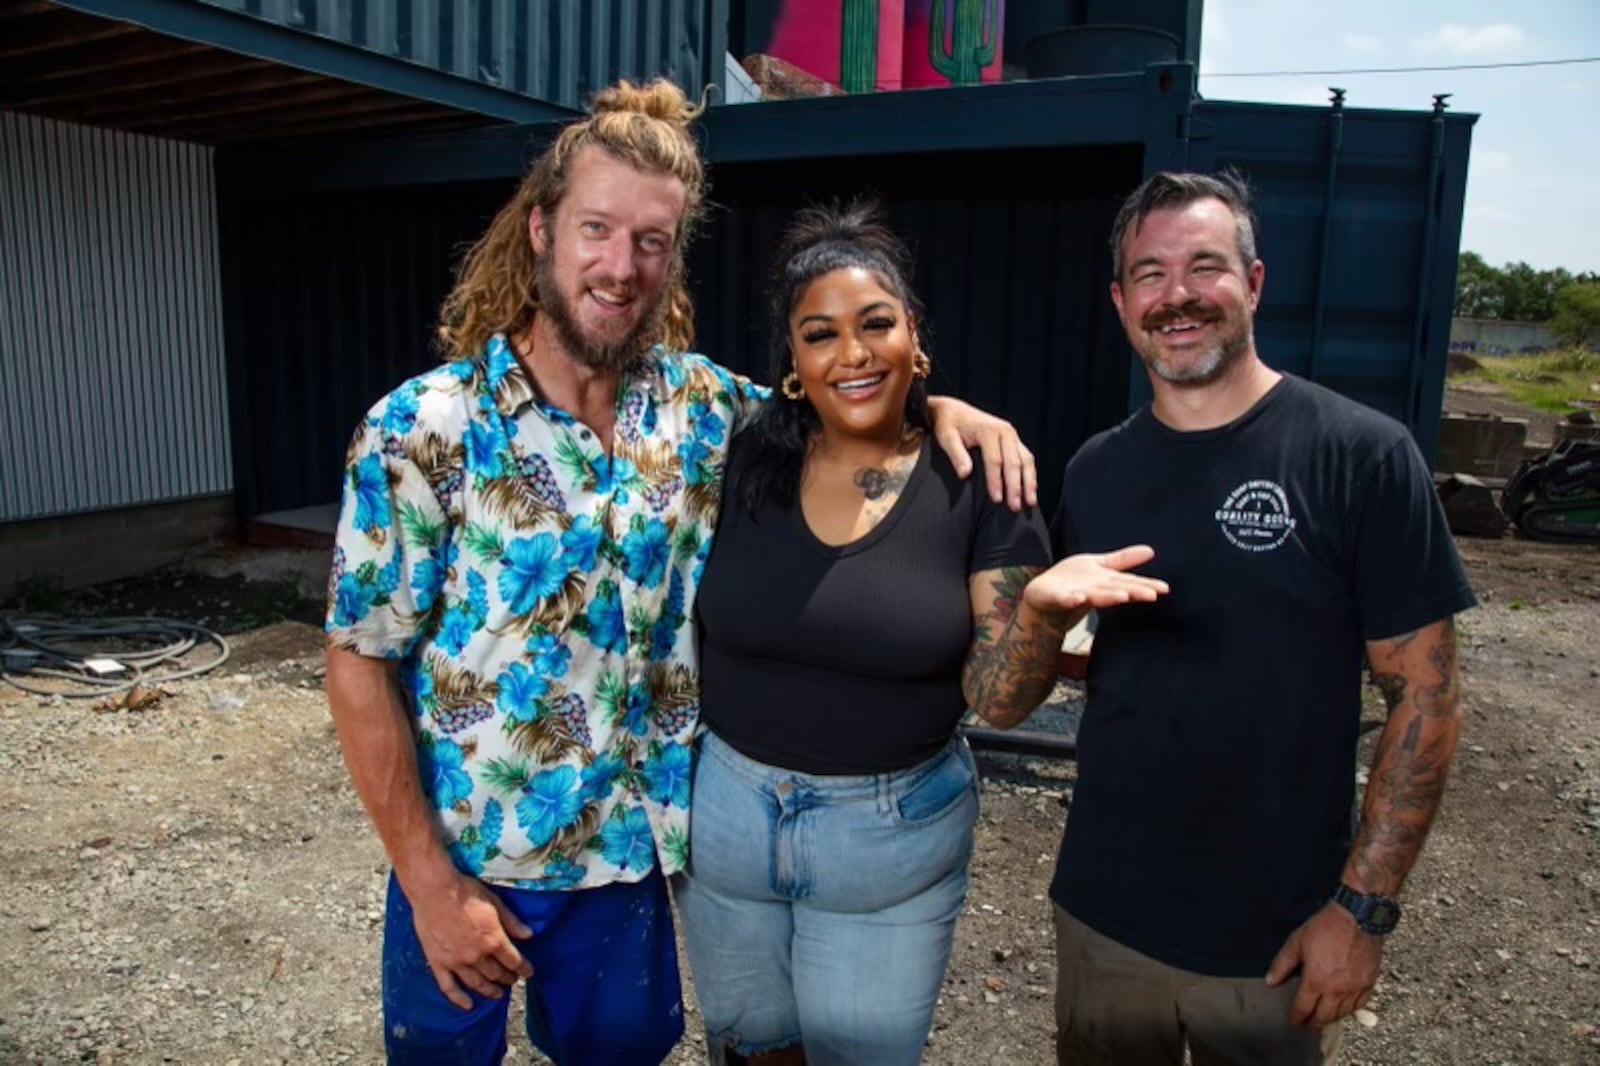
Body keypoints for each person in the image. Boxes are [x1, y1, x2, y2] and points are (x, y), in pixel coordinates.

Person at [322, 80, 1036, 1066]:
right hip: (474, 863)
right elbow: (358, 660)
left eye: (651, 241)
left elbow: (842, 395)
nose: (621, 267)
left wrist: (942, 409)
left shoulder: (704, 412)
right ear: (540, 231)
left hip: (629, 863)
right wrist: (429, 882)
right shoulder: (422, 429)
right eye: (596, 230)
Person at [675, 203, 1168, 1066]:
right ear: (792, 362)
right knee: (749, 1054)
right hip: (725, 823)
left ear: (914, 335)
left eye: (875, 324)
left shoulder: (980, 478)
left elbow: (999, 701)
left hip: (888, 839)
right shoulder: (736, 453)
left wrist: (1043, 618)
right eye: (820, 334)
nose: (852, 353)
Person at [1047, 171, 1477, 1064]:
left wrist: (1360, 912)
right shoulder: (1096, 471)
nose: (1178, 297)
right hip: (1102, 919)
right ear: (1121, 301)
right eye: (1151, 275)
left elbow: (1426, 703)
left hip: (1272, 943)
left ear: (1254, 282)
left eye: (1205, 266)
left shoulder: (1359, 456)